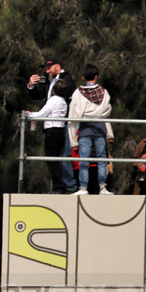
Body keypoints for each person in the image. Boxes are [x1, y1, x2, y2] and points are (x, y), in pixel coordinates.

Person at [27, 58, 75, 193]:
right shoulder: (50, 81)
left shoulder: (67, 80)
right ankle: (60, 187)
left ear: (58, 66)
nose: (47, 71)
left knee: (60, 158)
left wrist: (29, 115)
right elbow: (38, 95)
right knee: (57, 159)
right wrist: (31, 85)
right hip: (54, 124)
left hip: (60, 124)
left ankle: (66, 187)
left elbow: (45, 111)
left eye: (49, 68)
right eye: (46, 69)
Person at [67, 64, 114, 196]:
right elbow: (107, 110)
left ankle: (83, 187)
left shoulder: (78, 93)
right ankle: (103, 187)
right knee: (101, 160)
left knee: (84, 160)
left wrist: (72, 139)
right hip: (100, 128)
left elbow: (73, 114)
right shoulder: (103, 92)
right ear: (96, 76)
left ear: (84, 77)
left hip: (85, 129)